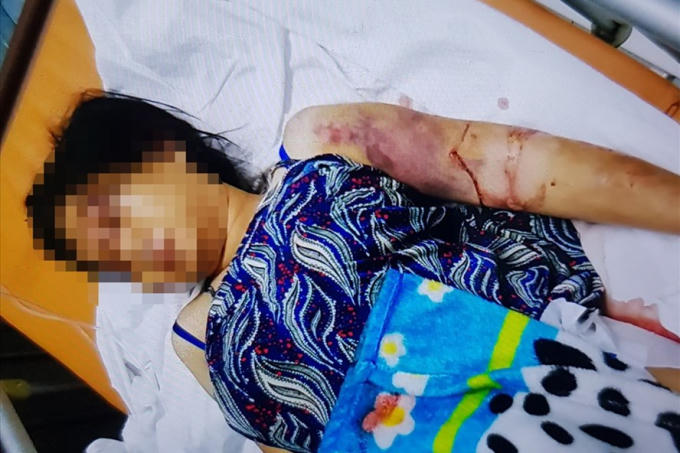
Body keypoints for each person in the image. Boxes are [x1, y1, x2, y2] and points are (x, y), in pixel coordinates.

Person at [26, 92, 680, 453]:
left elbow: (515, 167)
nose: (130, 255)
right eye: (110, 261)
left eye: (114, 218)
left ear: (159, 149)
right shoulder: (197, 338)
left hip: (544, 364)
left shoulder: (315, 150)